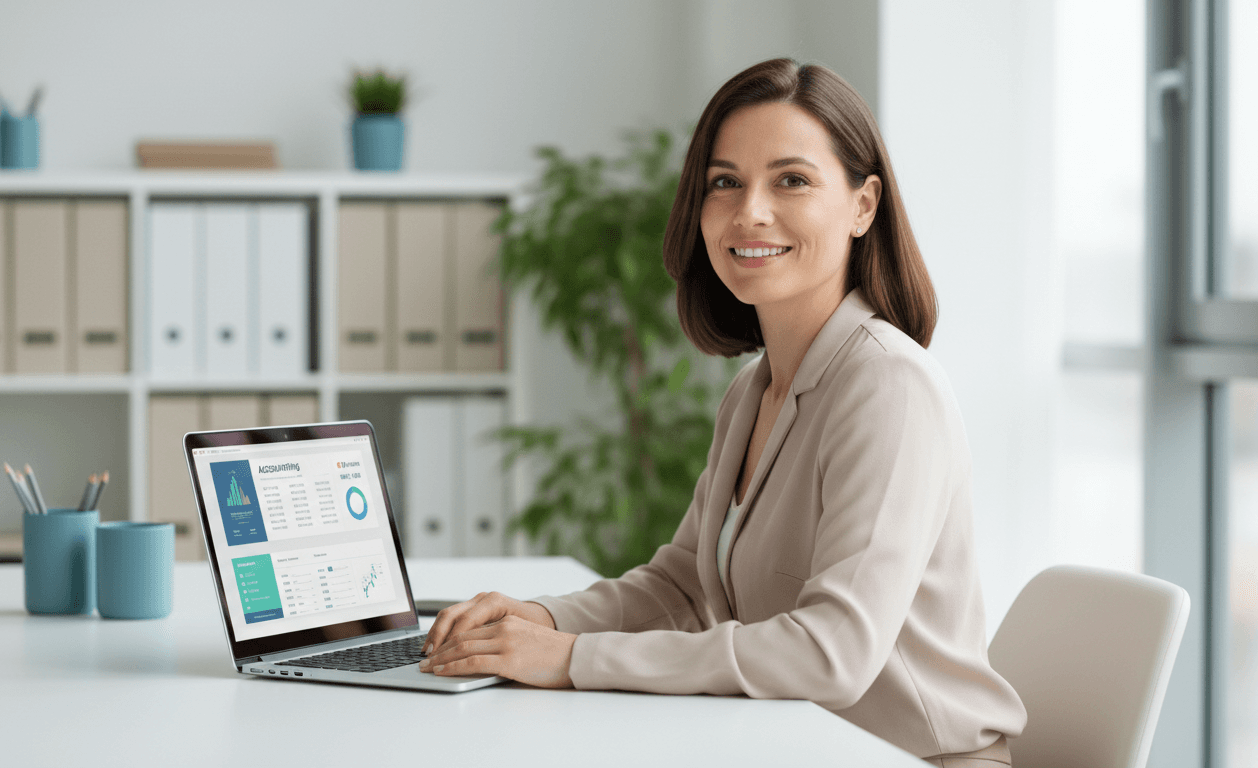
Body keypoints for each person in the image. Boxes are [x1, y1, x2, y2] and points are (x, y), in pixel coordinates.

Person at [418, 58, 1027, 767]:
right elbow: (681, 584)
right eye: (725, 182)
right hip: (798, 746)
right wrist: (541, 618)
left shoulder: (889, 386)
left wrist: (574, 658)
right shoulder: (754, 390)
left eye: (791, 180)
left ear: (863, 206)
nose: (750, 212)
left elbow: (833, 652)